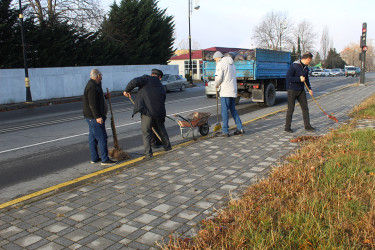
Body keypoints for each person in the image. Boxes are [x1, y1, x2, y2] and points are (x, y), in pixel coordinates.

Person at [123, 69, 172, 158]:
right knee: (161, 130)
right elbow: (163, 100)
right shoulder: (161, 86)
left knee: (146, 133)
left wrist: (127, 90)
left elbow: (134, 81)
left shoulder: (146, 78)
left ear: (151, 74)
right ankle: (168, 147)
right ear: (159, 77)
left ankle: (148, 154)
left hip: (147, 112)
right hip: (159, 113)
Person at [83, 69, 117, 165]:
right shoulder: (92, 86)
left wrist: (105, 97)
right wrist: (98, 117)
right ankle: (105, 159)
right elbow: (92, 104)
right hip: (94, 117)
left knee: (93, 138)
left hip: (92, 117)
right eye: (101, 75)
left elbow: (97, 99)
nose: (101, 77)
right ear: (97, 75)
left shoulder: (96, 85)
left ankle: (94, 158)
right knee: (102, 137)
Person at [213, 51, 244, 137]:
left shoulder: (220, 64)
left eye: (215, 59)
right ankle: (240, 127)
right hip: (232, 90)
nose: (215, 61)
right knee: (233, 109)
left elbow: (219, 78)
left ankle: (225, 131)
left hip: (225, 91)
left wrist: (216, 85)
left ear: (218, 58)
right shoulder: (232, 64)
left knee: (224, 111)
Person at [285, 52, 316, 133]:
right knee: (290, 109)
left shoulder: (306, 68)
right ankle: (287, 127)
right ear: (307, 59)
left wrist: (309, 89)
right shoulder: (294, 65)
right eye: (310, 60)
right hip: (292, 90)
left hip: (301, 90)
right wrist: (299, 79)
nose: (310, 62)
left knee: (305, 108)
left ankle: (307, 126)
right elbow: (288, 77)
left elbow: (307, 80)